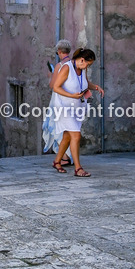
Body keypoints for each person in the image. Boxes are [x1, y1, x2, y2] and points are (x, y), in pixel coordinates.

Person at [52, 47, 104, 177]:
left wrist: (96, 87)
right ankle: (78, 168)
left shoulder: (81, 68)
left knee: (67, 136)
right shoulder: (66, 68)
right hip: (64, 108)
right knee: (76, 135)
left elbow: (85, 83)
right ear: (81, 59)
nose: (88, 66)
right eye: (88, 63)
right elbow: (56, 87)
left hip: (77, 108)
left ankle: (57, 162)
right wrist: (71, 96)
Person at [42, 39, 72, 165]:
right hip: (71, 99)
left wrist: (51, 76)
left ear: (59, 52)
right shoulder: (74, 64)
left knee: (57, 128)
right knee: (69, 128)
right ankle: (68, 156)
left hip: (59, 100)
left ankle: (65, 158)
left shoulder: (60, 66)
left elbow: (53, 85)